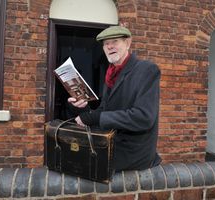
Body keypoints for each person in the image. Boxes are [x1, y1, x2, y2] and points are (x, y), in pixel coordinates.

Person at [68, 25, 161, 171]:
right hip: (111, 141)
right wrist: (84, 108)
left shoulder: (146, 69)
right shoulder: (111, 74)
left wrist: (95, 118)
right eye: (106, 44)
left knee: (82, 165)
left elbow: (144, 117)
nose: (109, 46)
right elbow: (104, 110)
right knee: (72, 157)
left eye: (115, 41)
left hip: (133, 151)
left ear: (128, 43)